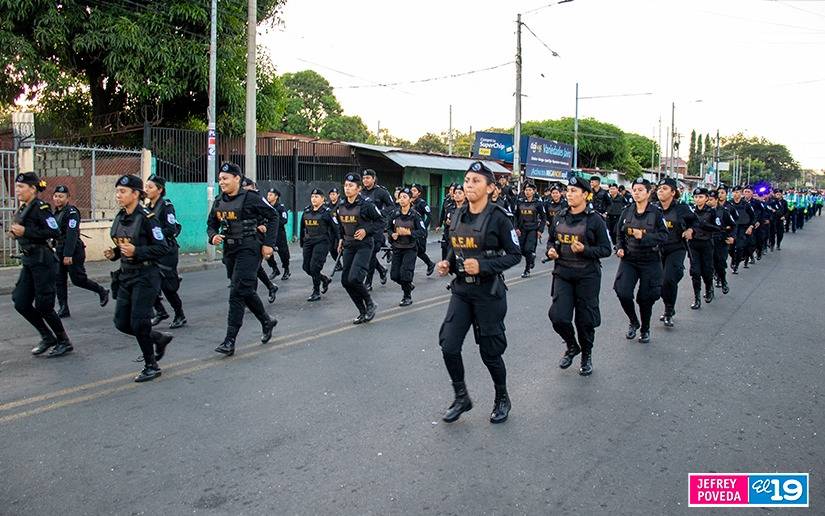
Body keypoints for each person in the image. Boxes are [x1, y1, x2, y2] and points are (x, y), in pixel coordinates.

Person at [436, 161, 522, 424]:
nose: (469, 185)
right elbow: (456, 244)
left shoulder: (499, 217)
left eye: (476, 181)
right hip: (462, 290)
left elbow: (515, 255)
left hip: (488, 293)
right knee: (449, 344)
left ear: (490, 187)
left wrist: (483, 266)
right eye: (467, 180)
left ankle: (502, 397)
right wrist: (448, 262)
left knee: (490, 352)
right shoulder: (459, 214)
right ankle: (461, 396)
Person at [105, 174, 173, 381]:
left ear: (136, 194)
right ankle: (158, 338)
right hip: (126, 274)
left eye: (123, 191)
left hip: (146, 275)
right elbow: (123, 244)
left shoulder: (147, 218)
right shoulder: (121, 216)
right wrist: (116, 253)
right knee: (121, 323)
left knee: (139, 322)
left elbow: (162, 247)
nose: (118, 195)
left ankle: (151, 365)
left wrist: (137, 251)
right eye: (117, 191)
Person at [207, 163, 278, 357]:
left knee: (237, 292)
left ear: (237, 178)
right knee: (244, 290)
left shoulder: (251, 198)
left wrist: (268, 244)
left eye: (225, 178)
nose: (222, 182)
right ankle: (266, 320)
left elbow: (273, 216)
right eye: (220, 179)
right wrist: (213, 236)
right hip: (230, 251)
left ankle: (230, 340)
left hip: (249, 248)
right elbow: (211, 224)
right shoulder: (219, 201)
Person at [545, 176, 612, 376]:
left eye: (574, 191)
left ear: (585, 195)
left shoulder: (595, 220)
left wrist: (585, 250)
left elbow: (606, 249)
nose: (570, 194)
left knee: (585, 320)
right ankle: (572, 346)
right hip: (563, 273)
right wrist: (551, 251)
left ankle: (586, 355)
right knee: (557, 316)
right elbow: (551, 240)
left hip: (587, 276)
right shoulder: (560, 216)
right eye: (569, 190)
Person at [11, 172, 74, 358]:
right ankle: (47, 336)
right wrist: (16, 233)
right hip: (29, 261)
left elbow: (54, 230)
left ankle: (64, 340)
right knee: (20, 301)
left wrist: (26, 231)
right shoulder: (24, 208)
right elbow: (24, 232)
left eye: (21, 187)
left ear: (32, 189)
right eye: (17, 187)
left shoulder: (41, 207)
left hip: (43, 261)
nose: (18, 190)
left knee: (44, 305)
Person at [614, 178, 668, 343]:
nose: (636, 193)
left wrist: (644, 236)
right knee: (622, 291)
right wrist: (619, 247)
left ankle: (645, 328)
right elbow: (620, 233)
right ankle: (633, 321)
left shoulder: (656, 213)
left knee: (645, 298)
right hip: (629, 259)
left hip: (650, 260)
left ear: (648, 192)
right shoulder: (627, 211)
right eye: (634, 190)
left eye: (640, 190)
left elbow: (664, 236)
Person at [52, 185, 109, 318]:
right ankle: (63, 307)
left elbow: (71, 234)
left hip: (73, 250)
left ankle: (101, 291)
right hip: (59, 250)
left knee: (78, 279)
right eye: (56, 196)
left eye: (61, 196)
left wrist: (68, 254)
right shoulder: (55, 213)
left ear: (68, 198)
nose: (58, 199)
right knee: (59, 280)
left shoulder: (72, 212)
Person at [337, 173, 384, 324]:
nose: (347, 188)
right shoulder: (341, 204)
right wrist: (340, 239)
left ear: (359, 189)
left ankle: (370, 303)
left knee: (355, 278)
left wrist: (366, 230)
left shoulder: (366, 204)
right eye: (346, 185)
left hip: (364, 246)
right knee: (345, 281)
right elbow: (341, 225)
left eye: (351, 186)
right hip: (349, 245)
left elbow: (381, 221)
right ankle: (362, 311)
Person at [144, 175, 186, 329]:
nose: (146, 190)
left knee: (167, 288)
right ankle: (160, 311)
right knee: (148, 281)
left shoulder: (166, 206)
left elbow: (171, 229)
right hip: (154, 251)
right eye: (146, 187)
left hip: (167, 251)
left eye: (150, 187)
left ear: (159, 190)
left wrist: (154, 232)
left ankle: (179, 314)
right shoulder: (147, 208)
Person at [654, 177, 694, 327]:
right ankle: (668, 305)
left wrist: (690, 229)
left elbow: (695, 221)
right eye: (659, 189)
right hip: (658, 250)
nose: (660, 192)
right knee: (660, 283)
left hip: (676, 248)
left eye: (664, 189)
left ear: (673, 192)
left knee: (669, 279)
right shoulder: (653, 208)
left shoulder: (682, 208)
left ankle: (668, 311)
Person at [241, 179, 279, 304]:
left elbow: (271, 217)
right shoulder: (240, 200)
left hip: (258, 238)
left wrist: (263, 226)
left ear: (253, 187)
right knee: (256, 269)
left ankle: (252, 299)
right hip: (244, 239)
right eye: (243, 187)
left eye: (247, 187)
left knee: (253, 270)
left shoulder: (257, 199)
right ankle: (270, 287)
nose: (245, 189)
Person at [387, 187, 426, 306]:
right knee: (394, 275)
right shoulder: (394, 214)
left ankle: (407, 296)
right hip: (397, 247)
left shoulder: (415, 215)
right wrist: (391, 234)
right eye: (400, 197)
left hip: (410, 248)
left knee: (406, 274)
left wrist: (409, 233)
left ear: (410, 200)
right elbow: (388, 228)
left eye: (405, 197)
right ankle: (408, 285)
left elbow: (423, 232)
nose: (402, 199)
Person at [687, 188, 722, 309]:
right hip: (693, 244)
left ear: (706, 198)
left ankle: (709, 288)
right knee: (695, 272)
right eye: (696, 197)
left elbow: (718, 227)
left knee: (707, 271)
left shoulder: (711, 212)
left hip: (707, 243)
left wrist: (705, 226)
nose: (698, 199)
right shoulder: (690, 211)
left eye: (701, 197)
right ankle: (696, 298)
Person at [300, 188, 336, 302]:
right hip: (308, 241)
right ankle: (324, 279)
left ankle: (316, 291)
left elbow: (336, 228)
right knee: (306, 267)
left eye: (316, 197)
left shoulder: (327, 212)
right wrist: (302, 241)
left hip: (322, 242)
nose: (314, 199)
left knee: (314, 267)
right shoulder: (306, 211)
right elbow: (302, 227)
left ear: (322, 199)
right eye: (312, 197)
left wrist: (340, 240)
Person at [360, 169, 393, 290]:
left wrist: (381, 213)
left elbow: (391, 206)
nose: (365, 181)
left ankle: (368, 282)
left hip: (377, 227)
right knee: (369, 254)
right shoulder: (361, 192)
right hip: (364, 227)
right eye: (364, 178)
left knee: (371, 253)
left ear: (374, 179)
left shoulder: (381, 192)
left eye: (368, 178)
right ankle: (381, 270)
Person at [515, 181, 546, 278]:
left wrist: (540, 230)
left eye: (530, 190)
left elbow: (543, 218)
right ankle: (531, 257)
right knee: (520, 249)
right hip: (522, 229)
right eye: (526, 190)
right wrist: (516, 228)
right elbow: (515, 216)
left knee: (528, 249)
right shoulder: (520, 201)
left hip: (533, 229)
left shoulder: (538, 203)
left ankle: (527, 269)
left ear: (534, 191)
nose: (527, 192)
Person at [708, 190, 735, 295]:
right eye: (707, 200)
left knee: (720, 263)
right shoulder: (704, 211)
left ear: (716, 200)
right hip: (708, 241)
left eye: (711, 200)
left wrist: (731, 236)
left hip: (720, 241)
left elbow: (732, 225)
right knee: (708, 266)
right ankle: (709, 289)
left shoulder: (723, 211)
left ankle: (723, 280)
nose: (708, 202)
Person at [728, 186, 756, 274]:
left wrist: (751, 226)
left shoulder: (746, 204)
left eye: (738, 192)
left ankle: (736, 264)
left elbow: (753, 217)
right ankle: (734, 258)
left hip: (742, 228)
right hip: (731, 228)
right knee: (730, 248)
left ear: (741, 193)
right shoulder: (729, 204)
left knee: (740, 247)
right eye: (734, 192)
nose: (736, 194)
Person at [265, 187, 291, 280]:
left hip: (279, 234)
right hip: (268, 234)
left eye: (271, 195)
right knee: (267, 253)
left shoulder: (281, 208)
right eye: (268, 194)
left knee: (283, 253)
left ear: (276, 197)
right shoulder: (265, 207)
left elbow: (284, 220)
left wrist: (273, 224)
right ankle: (275, 269)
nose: (268, 196)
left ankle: (286, 270)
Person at [410, 184, 436, 276]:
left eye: (414, 190)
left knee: (419, 251)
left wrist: (423, 227)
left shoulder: (422, 203)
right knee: (411, 250)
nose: (412, 192)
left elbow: (429, 216)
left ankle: (430, 264)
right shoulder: (408, 201)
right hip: (410, 231)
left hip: (420, 231)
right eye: (411, 190)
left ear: (419, 193)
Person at [440, 184, 466, 261]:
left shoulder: (469, 209)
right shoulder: (450, 208)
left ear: (465, 195)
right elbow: (446, 222)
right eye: (455, 193)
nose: (457, 195)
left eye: (460, 193)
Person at [326, 187, 343, 268]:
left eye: (334, 194)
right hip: (331, 230)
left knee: (340, 248)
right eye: (331, 194)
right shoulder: (327, 206)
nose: (332, 196)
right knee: (332, 249)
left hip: (341, 229)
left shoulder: (341, 205)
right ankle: (338, 264)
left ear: (338, 195)